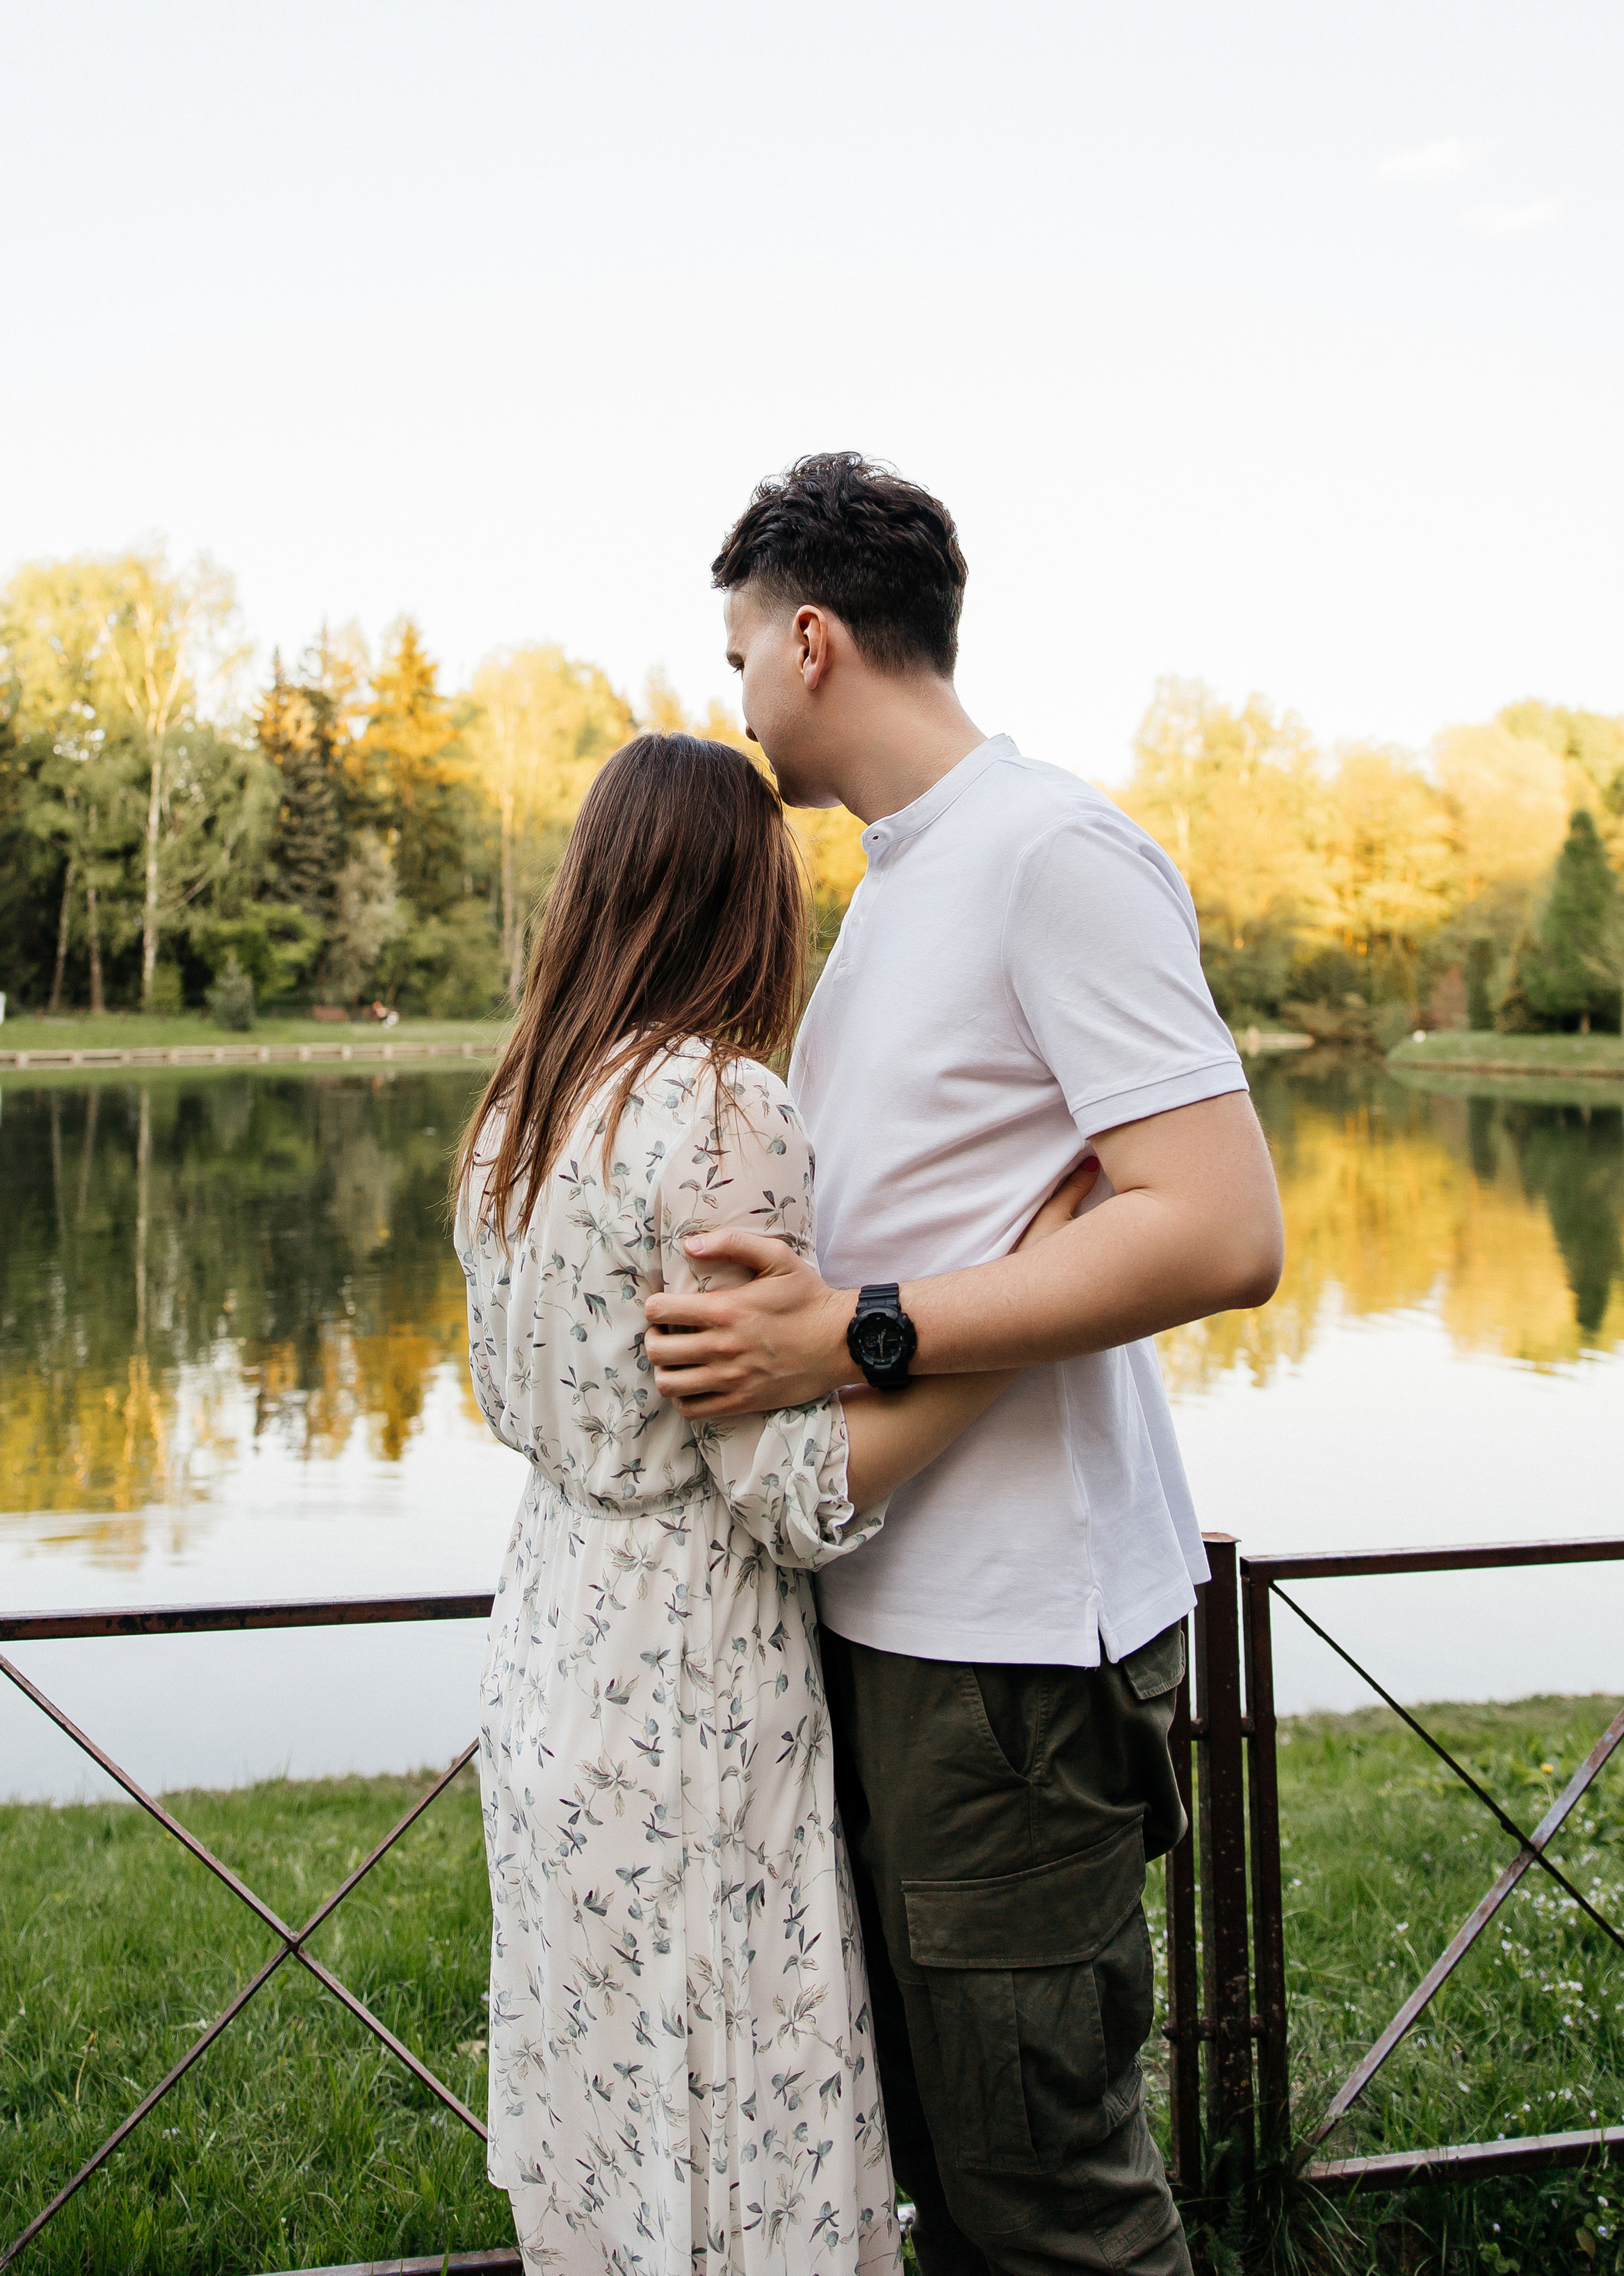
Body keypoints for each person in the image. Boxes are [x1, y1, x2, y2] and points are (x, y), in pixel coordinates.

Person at [644, 454, 1286, 2276]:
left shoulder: (1047, 851)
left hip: (1015, 1661)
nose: (736, 692)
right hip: (897, 1629)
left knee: (1053, 2214)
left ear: (816, 641)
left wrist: (851, 1327)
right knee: (948, 2180)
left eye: (741, 650)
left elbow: (1221, 1230)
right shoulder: (903, 882)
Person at [452, 730, 1094, 2276]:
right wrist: (1018, 1321)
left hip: (549, 1653)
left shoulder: (522, 1111)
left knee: (616, 2116)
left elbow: (513, 1398)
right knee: (732, 2111)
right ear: (748, 899)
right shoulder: (722, 1112)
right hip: (688, 1684)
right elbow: (789, 1493)